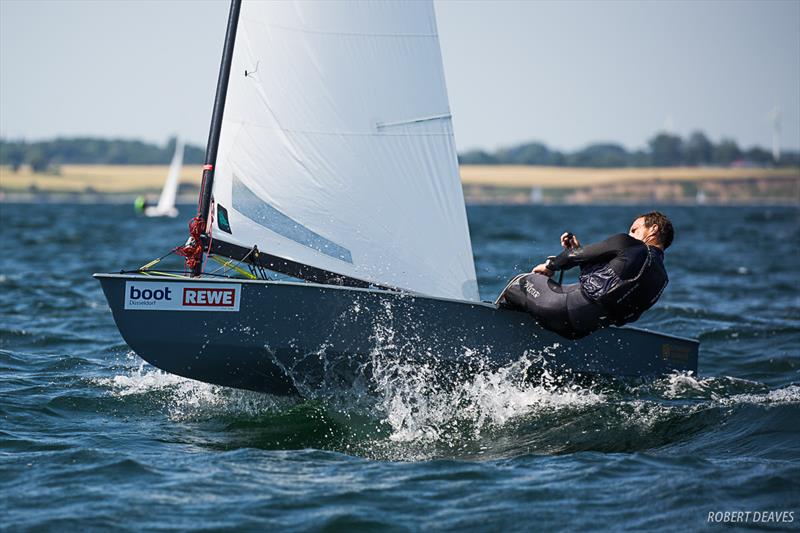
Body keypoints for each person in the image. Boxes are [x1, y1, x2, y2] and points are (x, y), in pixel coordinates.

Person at [496, 211, 673, 339]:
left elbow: (572, 257)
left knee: (521, 282)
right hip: (580, 331)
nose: (630, 234)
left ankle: (495, 328)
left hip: (561, 309)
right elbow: (608, 292)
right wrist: (577, 251)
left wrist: (550, 266)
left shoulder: (629, 244)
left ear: (653, 229)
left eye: (634, 230)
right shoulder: (661, 278)